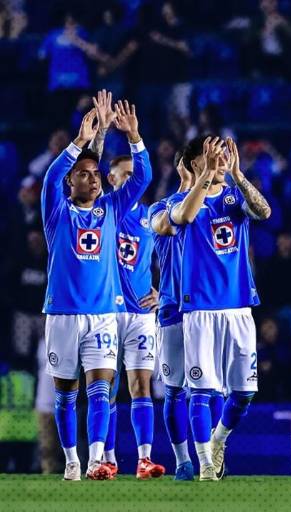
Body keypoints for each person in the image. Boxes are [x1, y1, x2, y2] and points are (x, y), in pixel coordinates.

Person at [42, 103, 151, 481]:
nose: (92, 179)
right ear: (69, 183)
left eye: (95, 174)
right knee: (66, 393)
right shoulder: (57, 214)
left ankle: (95, 460)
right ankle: (71, 459)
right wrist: (80, 143)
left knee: (101, 387)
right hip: (62, 314)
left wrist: (134, 137)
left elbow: (141, 180)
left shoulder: (110, 210)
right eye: (83, 175)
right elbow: (50, 177)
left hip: (102, 313)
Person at [168, 136, 271, 481]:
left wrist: (239, 176)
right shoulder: (182, 200)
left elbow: (264, 211)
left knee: (244, 392)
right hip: (200, 311)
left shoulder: (233, 196)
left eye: (224, 153)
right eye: (213, 154)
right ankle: (206, 466)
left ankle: (218, 441)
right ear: (196, 162)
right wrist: (205, 177)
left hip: (239, 307)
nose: (222, 158)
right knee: (201, 389)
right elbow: (183, 216)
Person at [84, 90, 163, 480]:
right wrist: (106, 134)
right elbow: (90, 168)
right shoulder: (106, 210)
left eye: (133, 174)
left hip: (142, 312)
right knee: (106, 385)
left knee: (141, 384)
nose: (133, 180)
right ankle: (106, 458)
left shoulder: (151, 217)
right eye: (124, 175)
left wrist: (163, 291)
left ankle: (145, 458)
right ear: (110, 179)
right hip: (107, 309)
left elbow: (170, 259)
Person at [149, 151, 195, 480]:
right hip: (172, 310)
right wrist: (187, 185)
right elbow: (167, 224)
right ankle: (183, 461)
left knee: (212, 389)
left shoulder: (219, 207)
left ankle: (211, 457)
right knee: (175, 388)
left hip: (207, 309)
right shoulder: (161, 207)